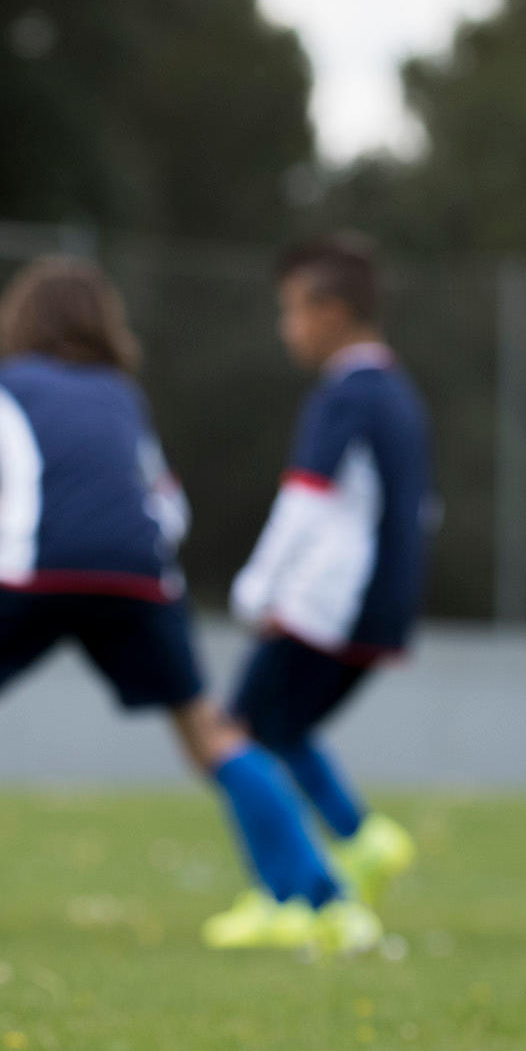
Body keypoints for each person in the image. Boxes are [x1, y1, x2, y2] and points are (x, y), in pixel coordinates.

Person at [0, 256, 378, 957]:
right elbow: (169, 509)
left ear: (20, 321)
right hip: (141, 579)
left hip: (39, 569)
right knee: (212, 735)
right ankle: (324, 902)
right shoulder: (122, 396)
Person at [202, 234, 432, 948]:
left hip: (324, 600)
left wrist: (261, 586)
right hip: (382, 604)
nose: (287, 327)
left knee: (227, 733)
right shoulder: (400, 395)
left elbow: (307, 499)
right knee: (280, 728)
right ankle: (359, 842)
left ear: (332, 313)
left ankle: (303, 895)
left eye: (293, 310)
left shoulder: (346, 394)